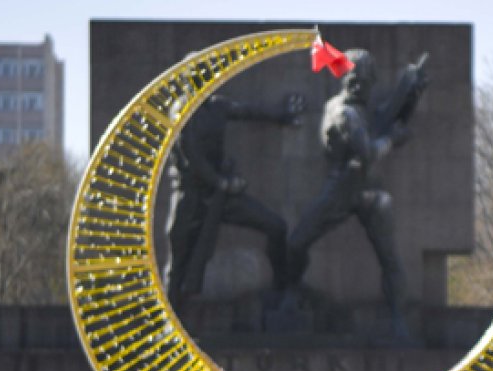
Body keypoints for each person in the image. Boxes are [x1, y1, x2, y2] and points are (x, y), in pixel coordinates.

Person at [285, 49, 428, 339]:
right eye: (356, 79)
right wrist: (392, 140)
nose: (361, 85)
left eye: (365, 80)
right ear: (346, 79)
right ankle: (290, 295)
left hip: (368, 190)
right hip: (342, 188)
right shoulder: (343, 112)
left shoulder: (360, 109)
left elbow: (388, 115)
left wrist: (411, 92)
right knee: (296, 243)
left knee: (390, 258)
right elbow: (367, 152)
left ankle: (399, 320)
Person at [164, 91, 304, 303]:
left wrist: (283, 113)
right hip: (190, 197)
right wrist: (220, 181)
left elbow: (247, 110)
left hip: (221, 196)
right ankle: (167, 315)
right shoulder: (181, 110)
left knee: (276, 226)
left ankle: (281, 292)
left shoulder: (217, 106)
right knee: (178, 266)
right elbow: (190, 155)